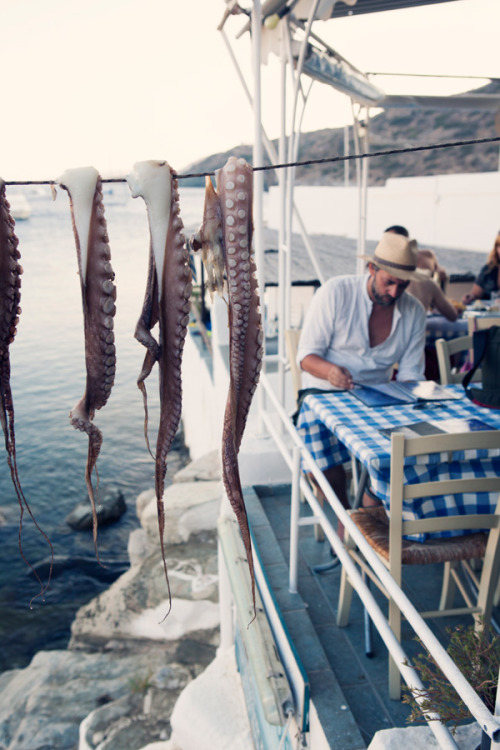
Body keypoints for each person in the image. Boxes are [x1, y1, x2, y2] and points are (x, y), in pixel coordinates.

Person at [297, 231, 427, 538]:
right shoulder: (335, 292)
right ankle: (345, 514)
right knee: (314, 430)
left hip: (380, 396)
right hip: (324, 392)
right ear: (371, 269)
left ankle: (369, 503)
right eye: (389, 282)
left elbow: (410, 377)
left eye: (403, 284)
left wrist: (416, 401)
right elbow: (305, 357)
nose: (395, 292)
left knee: (411, 439)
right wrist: (330, 371)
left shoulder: (414, 312)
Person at [462, 232, 500, 304]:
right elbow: (476, 294)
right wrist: (470, 297)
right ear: (496, 248)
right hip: (488, 313)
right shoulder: (488, 269)